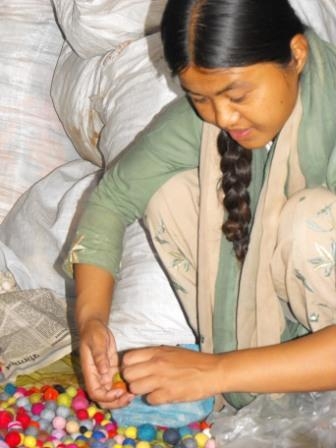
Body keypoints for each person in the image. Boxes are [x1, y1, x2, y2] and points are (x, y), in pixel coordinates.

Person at [68, 0, 336, 411]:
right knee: (167, 193)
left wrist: (215, 372)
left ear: (296, 55)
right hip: (278, 333)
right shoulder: (210, 118)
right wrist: (92, 322)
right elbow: (113, 198)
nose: (223, 117)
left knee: (308, 221)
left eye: (238, 95)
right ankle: (270, 376)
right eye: (201, 97)